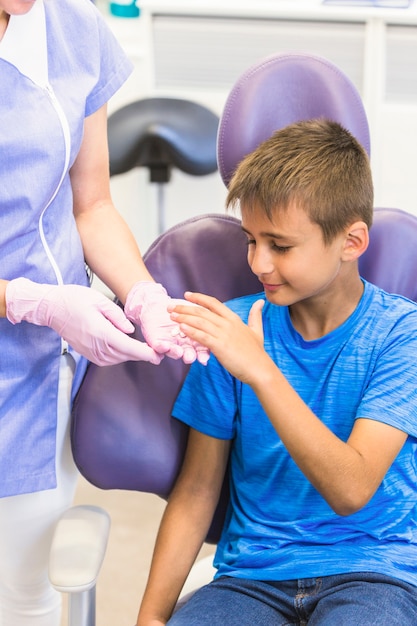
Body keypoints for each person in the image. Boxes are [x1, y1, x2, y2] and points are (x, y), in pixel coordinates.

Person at [136, 119, 417, 626]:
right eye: (250, 240)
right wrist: (151, 619)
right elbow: (198, 489)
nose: (259, 263)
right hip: (252, 579)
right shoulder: (233, 328)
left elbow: (351, 489)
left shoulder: (402, 336)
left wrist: (261, 371)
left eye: (280, 246)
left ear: (351, 242)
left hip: (375, 573)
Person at [0, 1, 208, 624]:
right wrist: (25, 298)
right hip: (36, 314)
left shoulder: (74, 24)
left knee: (23, 591)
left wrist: (143, 292)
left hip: (38, 370)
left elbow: (91, 204)